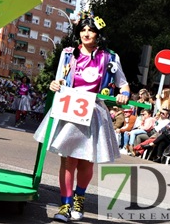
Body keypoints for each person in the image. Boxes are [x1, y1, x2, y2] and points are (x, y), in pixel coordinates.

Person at [33, 12, 131, 222]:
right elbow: (60, 78)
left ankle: (80, 197)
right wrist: (55, 84)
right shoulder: (68, 53)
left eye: (91, 30)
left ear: (98, 34)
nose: (86, 34)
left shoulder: (110, 57)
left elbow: (123, 83)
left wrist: (123, 94)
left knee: (86, 161)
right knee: (68, 161)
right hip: (69, 109)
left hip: (95, 111)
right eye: (83, 30)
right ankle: (65, 205)